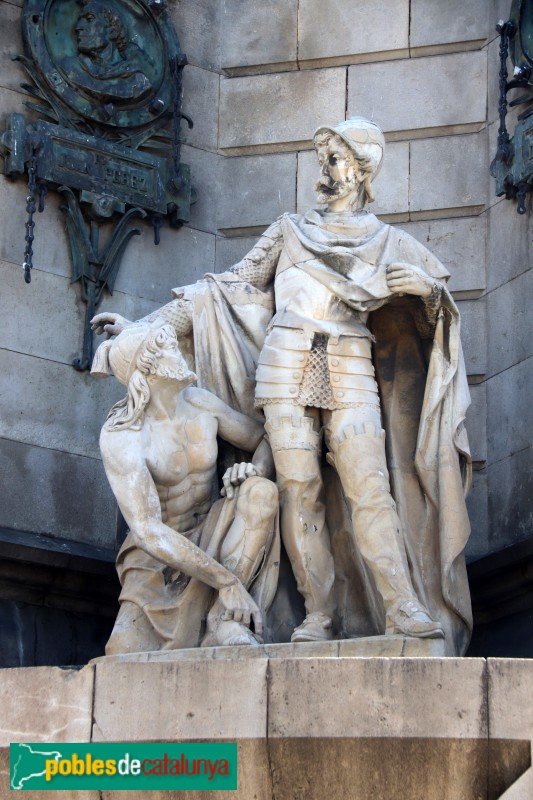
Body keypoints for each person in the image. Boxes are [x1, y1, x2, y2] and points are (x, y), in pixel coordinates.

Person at [93, 117, 473, 656]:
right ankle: (319, 612)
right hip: (284, 363)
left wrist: (430, 294)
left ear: (363, 171)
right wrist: (145, 330)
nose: (327, 169)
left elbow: (438, 320)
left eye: (338, 159)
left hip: (348, 361)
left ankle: (401, 605)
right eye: (325, 158)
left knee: (370, 486)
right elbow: (222, 291)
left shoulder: (390, 243)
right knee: (299, 492)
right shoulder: (288, 231)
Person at [91, 322, 279, 654]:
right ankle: (222, 596)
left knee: (261, 491)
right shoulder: (123, 436)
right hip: (158, 561)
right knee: (122, 652)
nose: (178, 351)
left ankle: (226, 621)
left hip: (214, 534)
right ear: (147, 371)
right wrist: (225, 580)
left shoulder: (200, 403)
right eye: (168, 349)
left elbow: (266, 435)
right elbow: (148, 531)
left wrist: (255, 468)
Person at [61, 0, 151, 104]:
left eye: (89, 19)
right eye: (80, 20)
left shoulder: (138, 82)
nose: (78, 27)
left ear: (112, 31)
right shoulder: (70, 68)